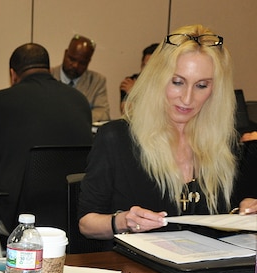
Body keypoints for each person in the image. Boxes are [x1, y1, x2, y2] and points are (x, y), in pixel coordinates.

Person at [78, 24, 257, 241]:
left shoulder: (224, 144)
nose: (187, 98)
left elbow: (230, 213)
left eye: (201, 86)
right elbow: (87, 223)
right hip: (138, 269)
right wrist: (123, 221)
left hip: (206, 270)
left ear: (215, 90)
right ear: (157, 79)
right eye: (178, 82)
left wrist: (243, 212)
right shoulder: (117, 138)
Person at [0, 43, 93, 257]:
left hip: (17, 214)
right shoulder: (80, 101)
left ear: (13, 74)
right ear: (48, 68)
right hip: (69, 213)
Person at [51, 34, 110, 123]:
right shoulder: (48, 75)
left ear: (88, 62)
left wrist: (75, 118)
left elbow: (103, 112)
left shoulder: (97, 80)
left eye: (82, 63)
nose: (75, 66)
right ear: (65, 54)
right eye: (72, 59)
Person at [119, 43, 159, 113]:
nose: (146, 71)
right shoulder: (129, 82)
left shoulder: (169, 84)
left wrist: (135, 92)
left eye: (151, 67)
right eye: (145, 66)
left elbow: (159, 112)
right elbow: (127, 112)